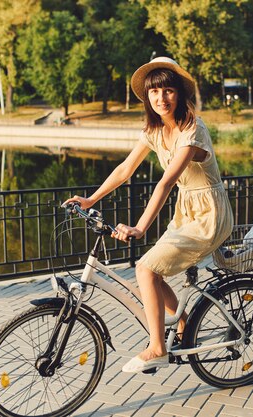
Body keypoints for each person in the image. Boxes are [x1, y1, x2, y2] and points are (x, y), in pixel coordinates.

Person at [63, 57, 233, 373]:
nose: (161, 99)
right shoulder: (153, 130)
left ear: (180, 94)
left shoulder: (193, 130)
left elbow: (166, 181)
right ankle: (181, 322)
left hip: (210, 215)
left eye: (168, 91)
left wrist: (140, 227)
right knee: (149, 272)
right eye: (154, 92)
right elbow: (126, 169)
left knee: (145, 269)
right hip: (187, 213)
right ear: (147, 97)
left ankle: (158, 348)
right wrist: (91, 199)